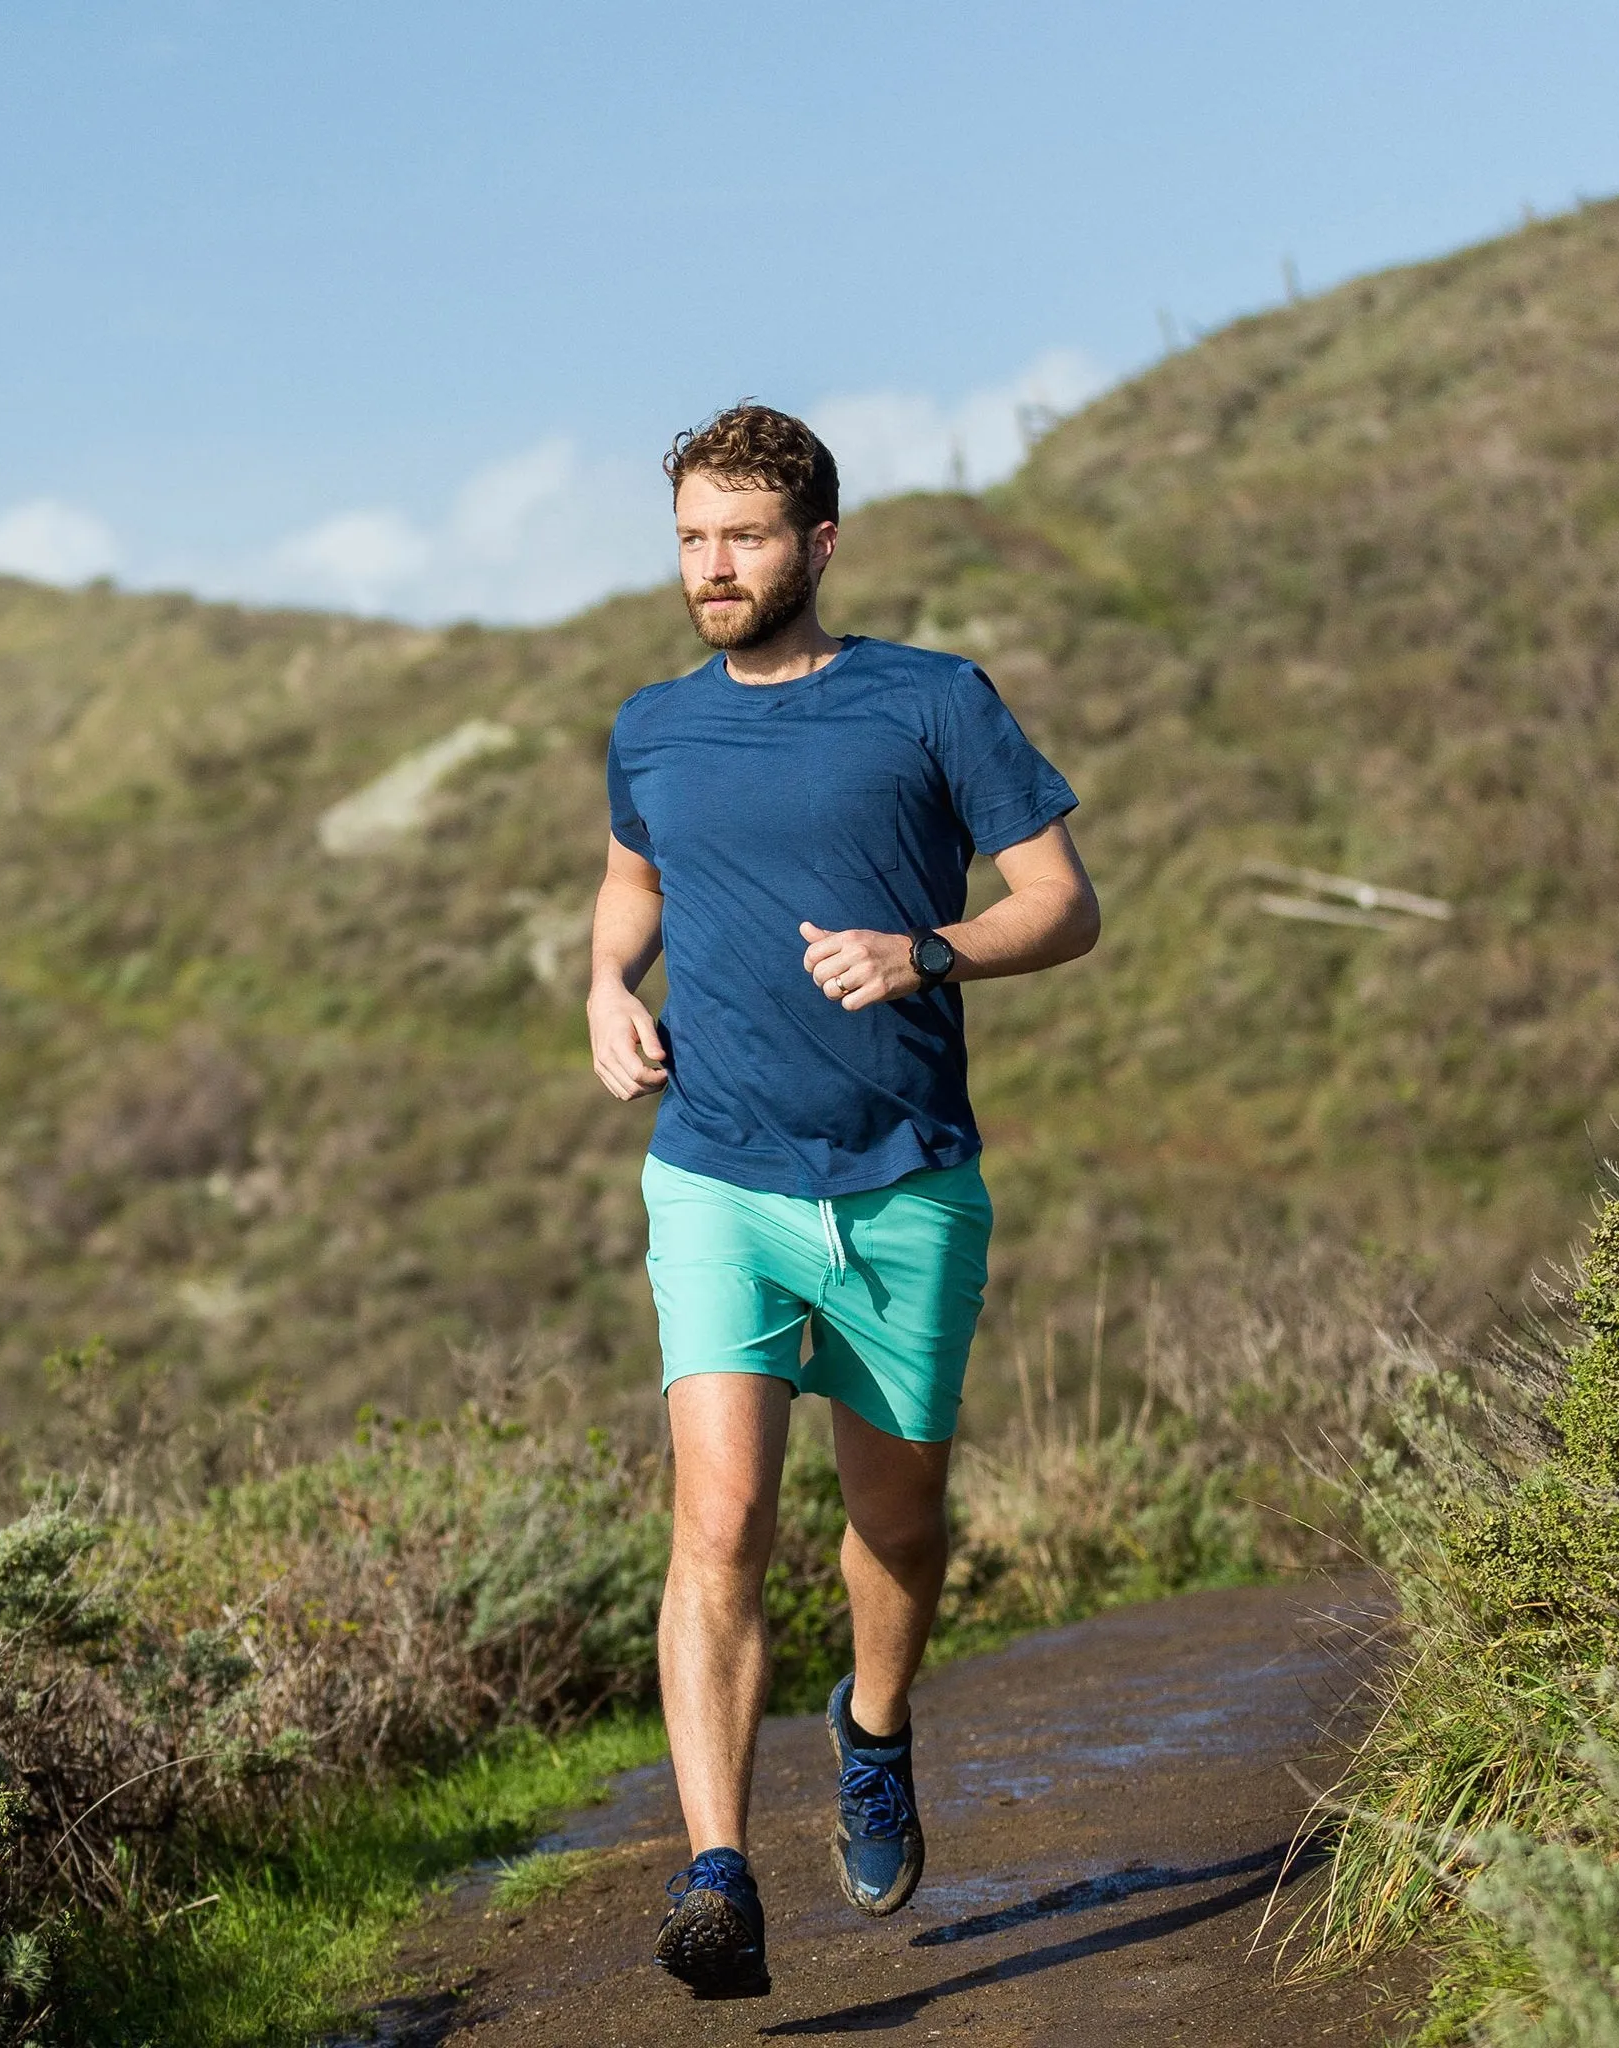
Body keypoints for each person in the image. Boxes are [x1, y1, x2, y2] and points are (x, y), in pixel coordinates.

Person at [588, 403, 1099, 2000]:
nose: (711, 568)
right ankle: (718, 1875)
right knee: (722, 1520)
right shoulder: (652, 728)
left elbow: (1064, 906)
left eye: (741, 537)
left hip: (904, 1186)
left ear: (817, 544)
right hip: (719, 1179)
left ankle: (871, 1729)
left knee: (899, 1525)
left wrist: (927, 949)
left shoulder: (933, 704)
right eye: (690, 539)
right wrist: (606, 985)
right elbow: (630, 884)